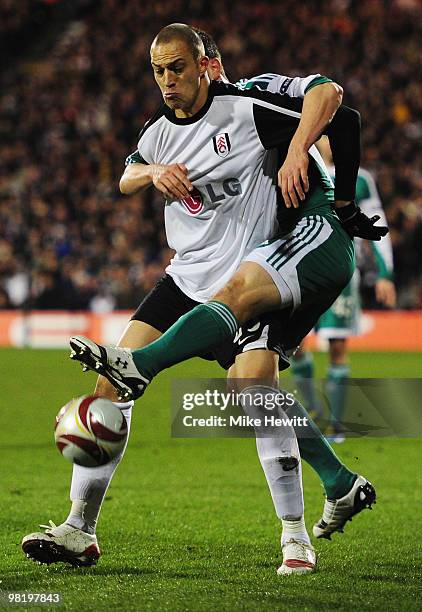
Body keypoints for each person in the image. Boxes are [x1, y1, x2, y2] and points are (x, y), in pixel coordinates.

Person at [23, 25, 379, 574]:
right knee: (107, 387)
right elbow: (124, 175)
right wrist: (151, 173)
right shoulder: (156, 133)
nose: (167, 81)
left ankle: (295, 538)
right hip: (185, 277)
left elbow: (336, 108)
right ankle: (79, 529)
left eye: (177, 68)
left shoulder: (246, 110)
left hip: (244, 277)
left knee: (256, 396)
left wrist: (301, 153)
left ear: (204, 66)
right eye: (159, 71)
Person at [291, 137, 396, 442]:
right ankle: (312, 412)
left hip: (340, 271)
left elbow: (380, 224)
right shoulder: (295, 168)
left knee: (338, 344)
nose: (324, 140)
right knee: (295, 344)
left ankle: (337, 424)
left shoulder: (359, 179)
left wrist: (384, 273)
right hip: (298, 268)